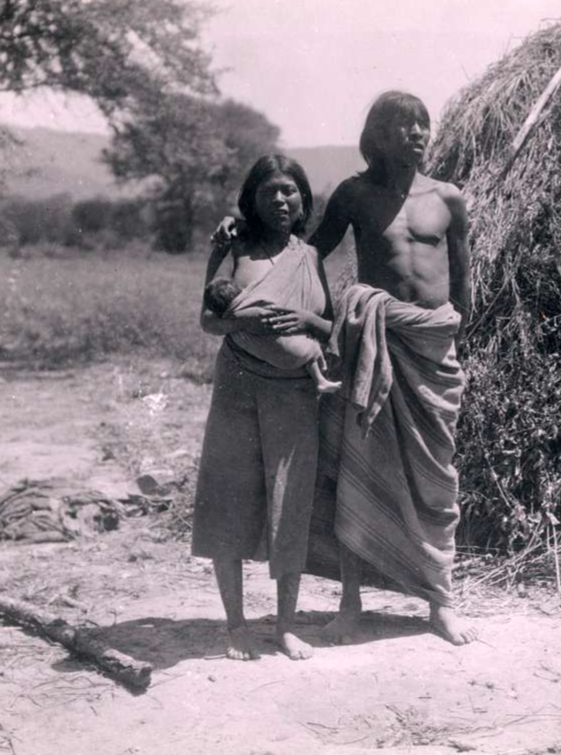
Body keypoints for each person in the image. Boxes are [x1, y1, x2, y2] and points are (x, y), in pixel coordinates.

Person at [214, 91, 477, 646]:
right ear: (376, 135)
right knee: (357, 472)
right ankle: (350, 603)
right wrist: (236, 234)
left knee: (437, 480)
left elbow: (465, 286)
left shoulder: (450, 199)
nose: (417, 134)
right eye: (403, 125)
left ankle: (441, 601)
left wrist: (446, 336)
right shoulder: (354, 196)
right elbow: (299, 253)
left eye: (423, 125)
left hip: (429, 350)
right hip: (370, 349)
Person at [193, 154, 334, 661]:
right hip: (238, 386)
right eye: (269, 191)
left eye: (290, 191)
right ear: (251, 199)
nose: (280, 200)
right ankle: (235, 625)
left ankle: (286, 625)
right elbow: (208, 322)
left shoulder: (311, 258)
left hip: (296, 390)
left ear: (302, 200)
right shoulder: (234, 249)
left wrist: (302, 317)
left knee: (290, 502)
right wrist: (244, 325)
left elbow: (330, 329)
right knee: (230, 499)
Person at [203, 276, 341, 394]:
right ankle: (321, 377)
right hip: (297, 352)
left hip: (274, 360)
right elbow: (271, 305)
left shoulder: (231, 321)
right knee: (307, 342)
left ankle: (320, 377)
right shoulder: (252, 301)